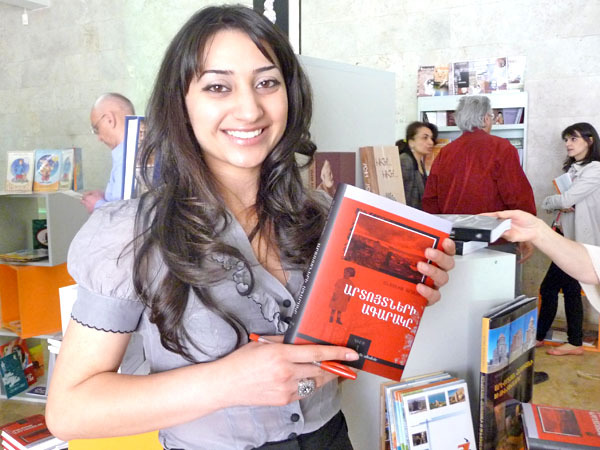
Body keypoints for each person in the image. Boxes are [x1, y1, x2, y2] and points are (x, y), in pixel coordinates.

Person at [45, 6, 456, 450]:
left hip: (333, 438)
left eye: (266, 83)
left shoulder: (320, 216)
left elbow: (342, 350)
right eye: (218, 86)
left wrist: (400, 292)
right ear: (180, 102)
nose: (249, 109)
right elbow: (69, 411)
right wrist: (227, 382)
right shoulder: (132, 233)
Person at [422, 95, 536, 263]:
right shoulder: (502, 148)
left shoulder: (445, 153)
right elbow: (517, 195)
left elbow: (431, 200)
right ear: (485, 119)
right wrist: (527, 231)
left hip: (454, 242)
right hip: (496, 240)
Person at [535, 123, 600, 356]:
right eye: (566, 140)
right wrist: (558, 202)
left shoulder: (595, 169)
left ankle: (555, 339)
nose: (568, 144)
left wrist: (552, 201)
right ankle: (570, 341)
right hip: (566, 237)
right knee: (567, 288)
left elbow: (564, 200)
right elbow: (563, 203)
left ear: (589, 140)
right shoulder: (573, 170)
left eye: (573, 139)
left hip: (580, 241)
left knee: (551, 287)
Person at [81, 93, 135, 212]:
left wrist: (98, 205)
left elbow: (126, 215)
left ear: (110, 119)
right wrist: (106, 197)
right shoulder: (135, 150)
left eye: (97, 129)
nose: (99, 138)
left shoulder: (129, 158)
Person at [395, 121, 438, 209]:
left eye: (431, 138)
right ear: (411, 142)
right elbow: (404, 198)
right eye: (425, 138)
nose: (431, 142)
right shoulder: (405, 161)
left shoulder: (419, 162)